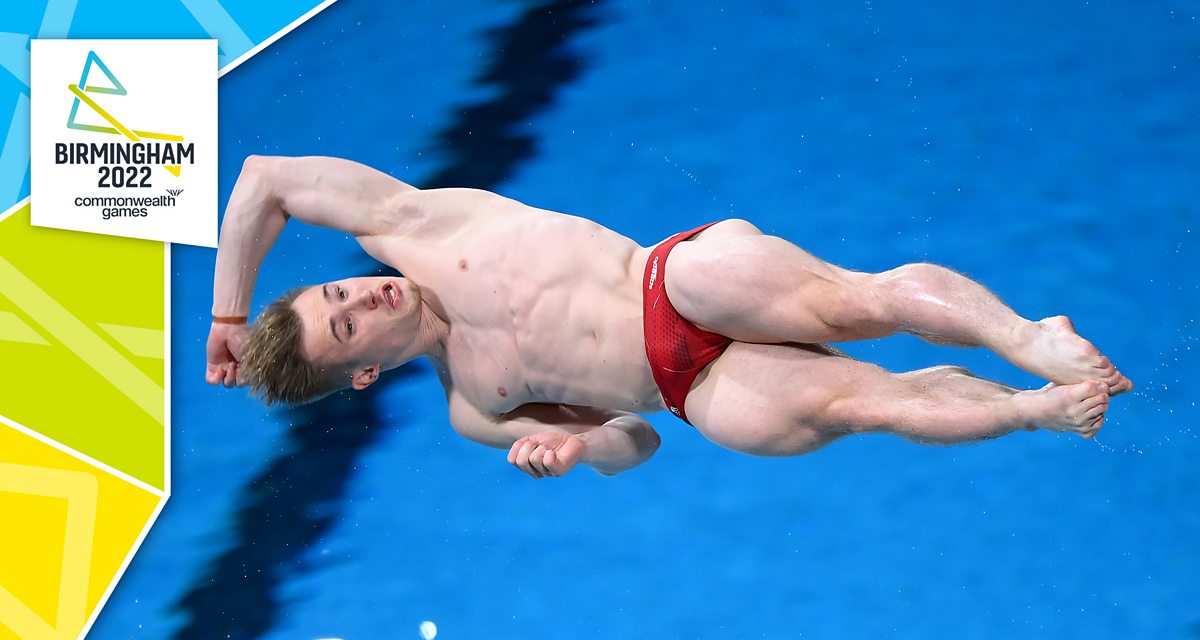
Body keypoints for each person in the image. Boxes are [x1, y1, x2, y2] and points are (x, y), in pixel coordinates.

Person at [206, 156, 1132, 479]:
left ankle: (1028, 338)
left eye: (335, 291)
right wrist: (576, 450)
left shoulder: (413, 224)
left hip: (671, 282)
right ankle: (1031, 409)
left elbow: (263, 180)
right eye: (346, 324)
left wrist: (229, 313)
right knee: (869, 403)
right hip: (690, 386)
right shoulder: (476, 405)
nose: (361, 294)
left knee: (859, 300)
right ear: (364, 371)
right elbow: (634, 442)